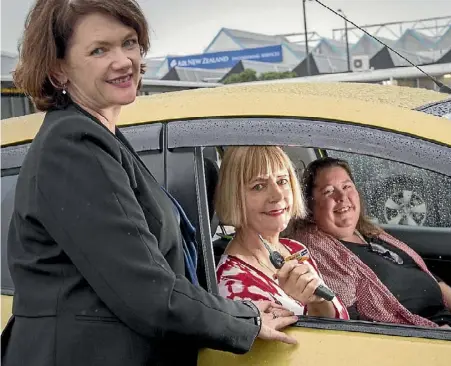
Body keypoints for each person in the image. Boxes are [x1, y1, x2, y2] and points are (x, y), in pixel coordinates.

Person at [1, 1, 297, 365]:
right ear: (58, 69)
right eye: (99, 49)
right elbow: (146, 290)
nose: (124, 60)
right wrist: (243, 320)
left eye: (129, 43)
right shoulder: (73, 146)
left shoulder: (97, 136)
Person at [288, 157, 451, 329]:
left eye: (347, 186)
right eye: (328, 191)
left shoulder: (370, 233)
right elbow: (348, 322)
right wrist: (441, 335)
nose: (342, 197)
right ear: (309, 206)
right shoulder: (317, 253)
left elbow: (429, 278)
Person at [215, 146, 349, 320]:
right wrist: (309, 305)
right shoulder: (233, 286)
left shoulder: (294, 249)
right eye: (258, 186)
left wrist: (318, 302)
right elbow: (302, 345)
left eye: (282, 181)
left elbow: (342, 323)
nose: (278, 195)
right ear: (234, 196)